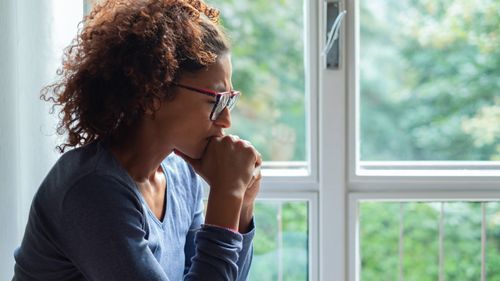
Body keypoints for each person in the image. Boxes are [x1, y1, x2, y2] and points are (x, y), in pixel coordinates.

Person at [12, 0, 262, 280]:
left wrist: (242, 204)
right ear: (153, 95)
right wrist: (226, 195)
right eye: (215, 100)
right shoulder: (92, 189)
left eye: (230, 100)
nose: (226, 120)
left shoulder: (181, 175)